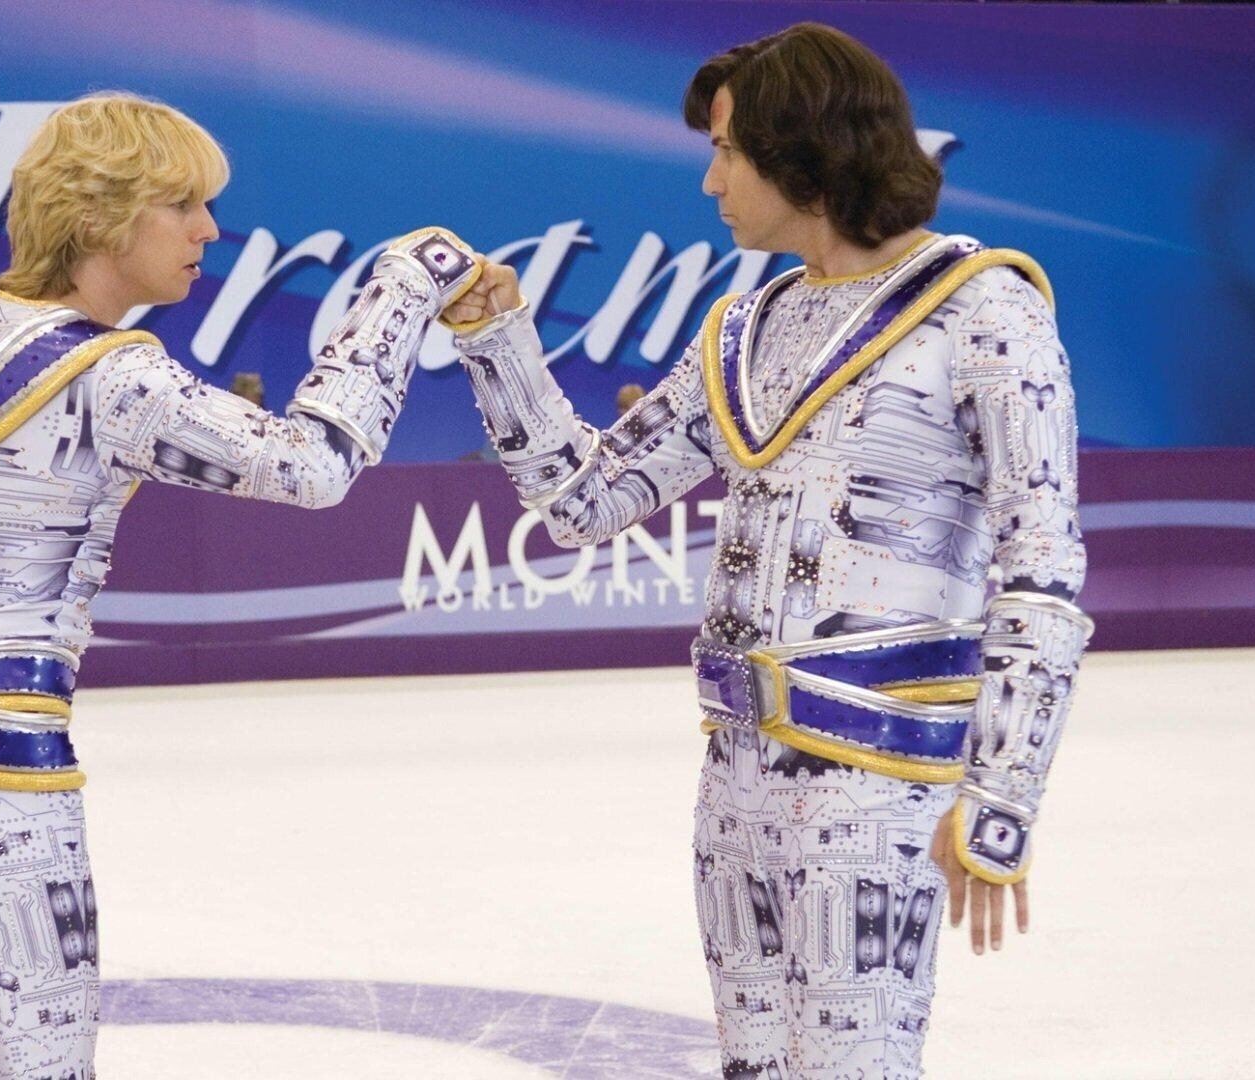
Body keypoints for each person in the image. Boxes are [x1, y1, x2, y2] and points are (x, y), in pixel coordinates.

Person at [0, 93, 477, 1079]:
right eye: (182, 205)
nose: (209, 230)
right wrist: (406, 285)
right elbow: (312, 465)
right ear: (99, 217)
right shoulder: (115, 379)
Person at [442, 23, 1089, 1078]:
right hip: (733, 780)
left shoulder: (987, 309)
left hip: (877, 780)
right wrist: (498, 342)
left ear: (804, 151)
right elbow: (584, 500)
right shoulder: (750, 324)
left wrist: (1005, 790)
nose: (711, 182)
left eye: (727, 152)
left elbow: (1043, 568)